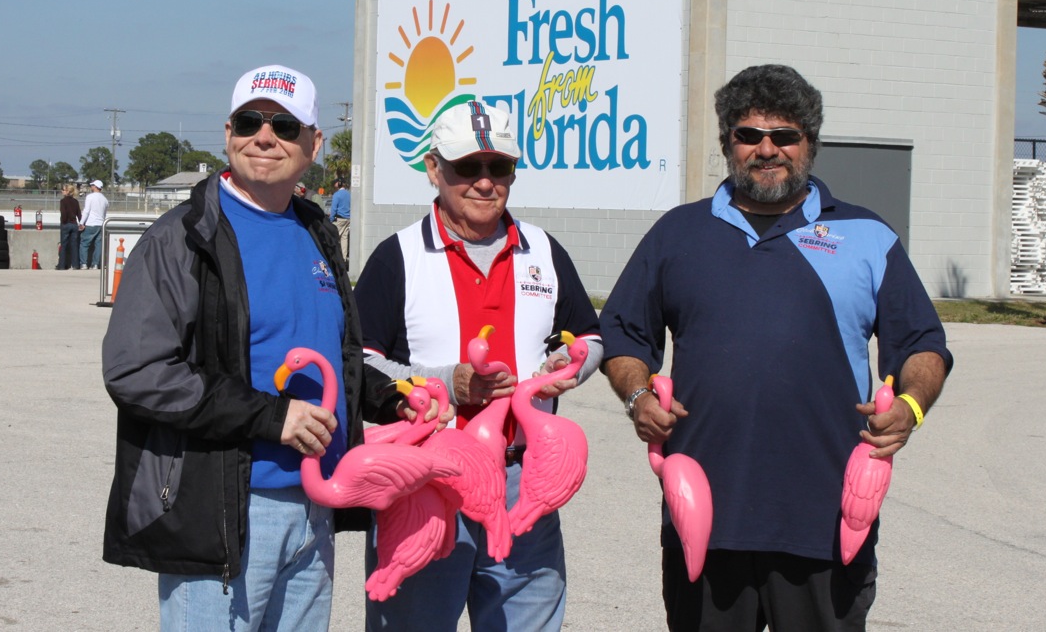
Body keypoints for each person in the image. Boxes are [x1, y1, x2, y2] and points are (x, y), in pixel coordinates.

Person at [600, 65, 953, 632]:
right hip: (705, 518)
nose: (767, 150)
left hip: (825, 517)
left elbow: (921, 344)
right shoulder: (678, 234)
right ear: (727, 144)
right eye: (749, 135)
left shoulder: (867, 236)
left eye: (784, 135)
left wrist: (910, 408)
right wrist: (638, 393)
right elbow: (621, 333)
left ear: (809, 144)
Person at [101, 64, 407, 632]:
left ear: (313, 144)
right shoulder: (181, 237)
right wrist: (272, 416)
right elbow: (136, 371)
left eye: (285, 126)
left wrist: (392, 399)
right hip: (227, 508)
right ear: (227, 133)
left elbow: (335, 354)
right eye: (250, 121)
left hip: (316, 508)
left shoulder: (315, 230)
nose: (264, 136)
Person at [355, 100, 603, 632]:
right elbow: (359, 364)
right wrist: (450, 382)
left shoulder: (543, 249)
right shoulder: (397, 257)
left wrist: (568, 366)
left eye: (500, 167)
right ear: (434, 168)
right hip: (428, 481)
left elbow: (589, 334)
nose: (485, 183)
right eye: (468, 167)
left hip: (521, 480)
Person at [78, 179, 109, 269]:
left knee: (84, 243)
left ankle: (83, 263)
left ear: (95, 187)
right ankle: (95, 264)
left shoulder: (90, 197)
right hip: (101, 224)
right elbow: (104, 213)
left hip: (91, 223)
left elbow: (86, 211)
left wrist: (81, 222)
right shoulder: (105, 199)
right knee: (98, 244)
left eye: (92, 185)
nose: (91, 187)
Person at [55, 183, 81, 270]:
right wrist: (80, 223)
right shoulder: (76, 201)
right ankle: (76, 265)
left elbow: (64, 213)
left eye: (63, 190)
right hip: (74, 224)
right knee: (74, 245)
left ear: (67, 191)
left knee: (64, 245)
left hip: (66, 224)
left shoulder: (63, 201)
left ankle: (61, 265)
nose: (62, 191)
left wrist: (64, 221)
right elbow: (79, 214)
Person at [329, 178, 351, 263]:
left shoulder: (337, 195)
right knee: (344, 239)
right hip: (348, 219)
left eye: (335, 182)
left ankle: (335, 259)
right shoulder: (349, 194)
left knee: (334, 238)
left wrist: (331, 219)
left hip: (339, 219)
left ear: (339, 183)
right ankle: (344, 259)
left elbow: (334, 209)